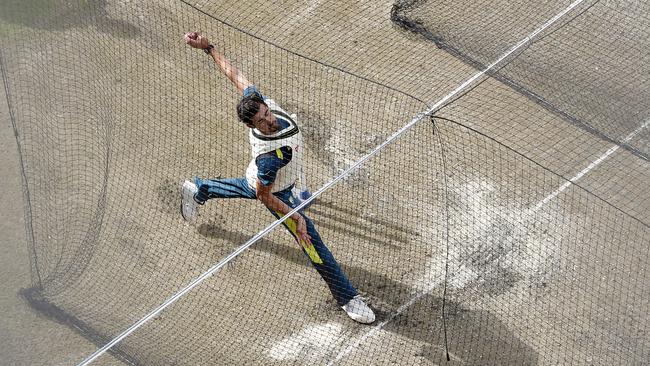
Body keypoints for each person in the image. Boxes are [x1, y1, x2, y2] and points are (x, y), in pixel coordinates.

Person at [180, 32, 375, 324]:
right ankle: (347, 297)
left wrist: (209, 48)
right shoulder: (270, 157)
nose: (270, 119)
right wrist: (297, 219)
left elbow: (236, 77)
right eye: (262, 119)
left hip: (275, 179)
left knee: (246, 185)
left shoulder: (259, 102)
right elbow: (263, 194)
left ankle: (200, 188)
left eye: (267, 112)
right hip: (276, 191)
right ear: (251, 124)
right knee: (313, 244)